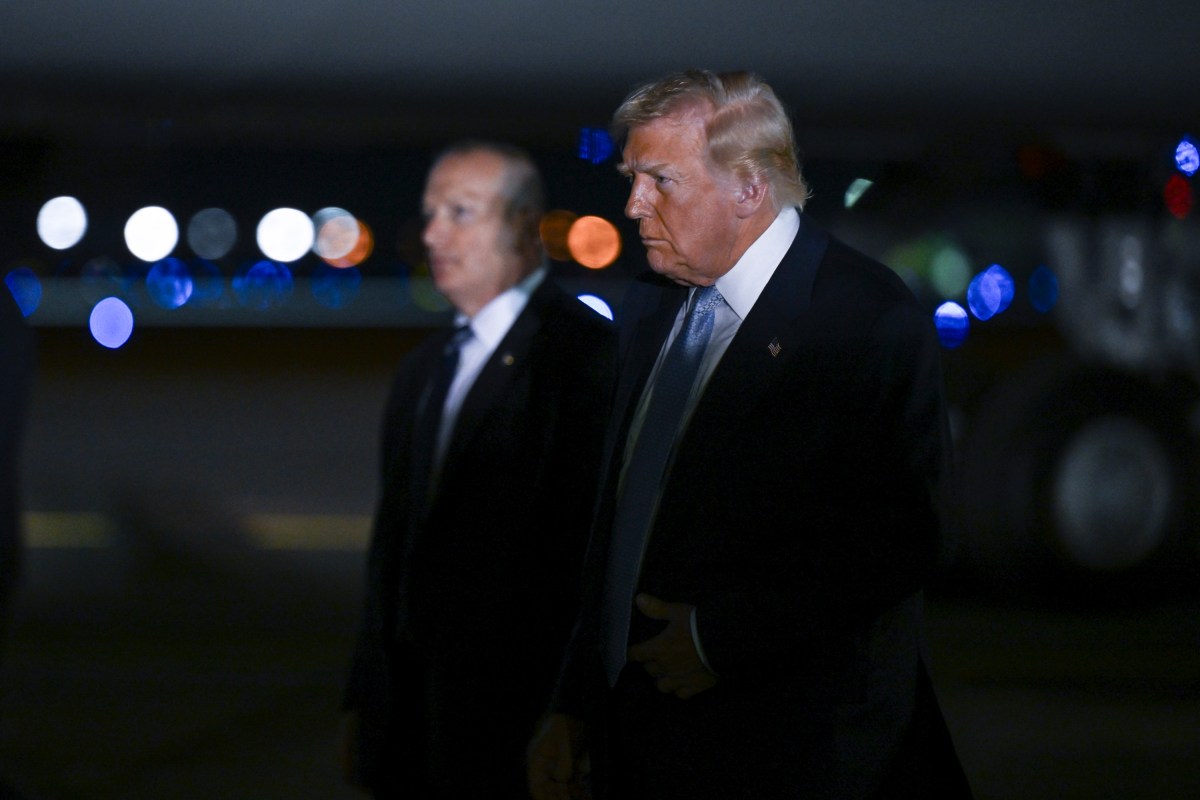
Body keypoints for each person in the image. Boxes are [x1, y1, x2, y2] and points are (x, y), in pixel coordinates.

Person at [528, 70, 971, 799]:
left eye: (660, 180)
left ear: (748, 188)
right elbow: (620, 522)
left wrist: (718, 639)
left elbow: (907, 534)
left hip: (789, 752)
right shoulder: (650, 304)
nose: (634, 205)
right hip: (634, 744)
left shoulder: (862, 318)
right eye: (632, 179)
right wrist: (575, 703)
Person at [341, 141, 615, 799]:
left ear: (522, 226)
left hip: (517, 726)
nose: (433, 235)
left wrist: (573, 709)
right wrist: (366, 696)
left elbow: (593, 561)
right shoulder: (424, 368)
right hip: (412, 728)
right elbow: (393, 551)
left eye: (460, 212)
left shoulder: (585, 361)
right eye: (431, 214)